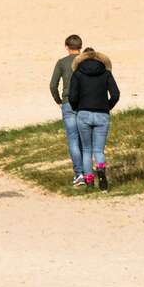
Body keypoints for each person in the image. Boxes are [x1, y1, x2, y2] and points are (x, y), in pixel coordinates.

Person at [69, 50, 120, 191]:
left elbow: (72, 96)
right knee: (99, 150)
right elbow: (115, 94)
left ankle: (90, 181)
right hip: (102, 114)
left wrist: (77, 108)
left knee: (86, 150)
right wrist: (107, 107)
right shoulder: (106, 73)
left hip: (83, 113)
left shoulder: (77, 74)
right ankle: (102, 174)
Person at [49, 34, 85, 186]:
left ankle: (79, 174)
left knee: (73, 139)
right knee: (85, 139)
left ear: (66, 47)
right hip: (85, 103)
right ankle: (88, 171)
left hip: (68, 103)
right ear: (80, 47)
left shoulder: (62, 63)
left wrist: (59, 101)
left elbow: (52, 85)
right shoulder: (87, 61)